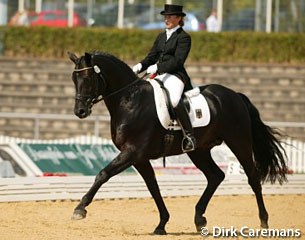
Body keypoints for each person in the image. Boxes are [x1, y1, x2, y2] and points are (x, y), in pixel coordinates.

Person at [132, 4, 196, 152]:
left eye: (170, 16)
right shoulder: (161, 36)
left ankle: (189, 135)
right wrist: (139, 66)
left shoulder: (184, 37)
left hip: (175, 75)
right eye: (165, 16)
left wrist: (158, 67)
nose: (166, 19)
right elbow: (151, 57)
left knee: (173, 100)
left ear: (179, 18)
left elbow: (178, 61)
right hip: (159, 75)